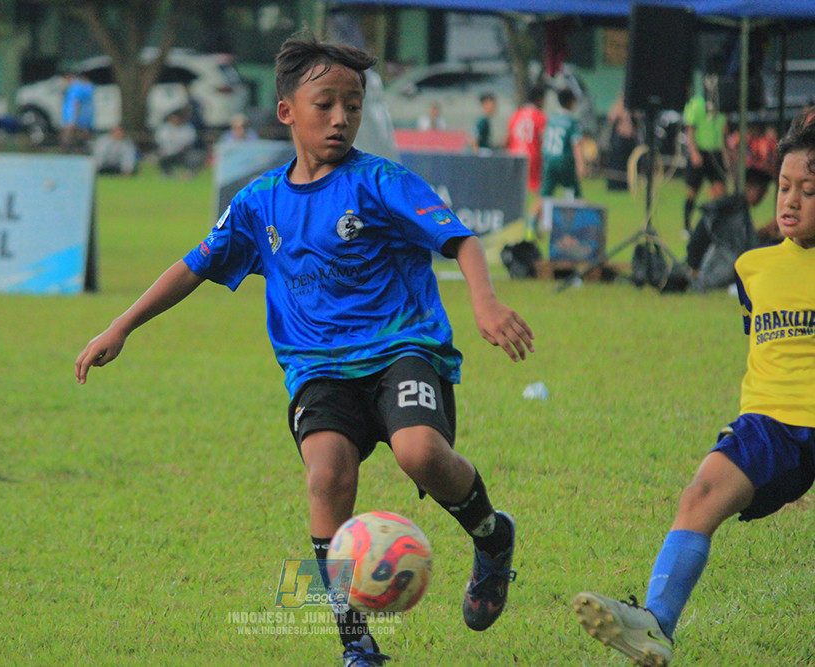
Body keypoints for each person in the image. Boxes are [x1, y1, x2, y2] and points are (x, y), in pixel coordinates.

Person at [76, 32, 535, 667]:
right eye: (326, 104)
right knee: (326, 475)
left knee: (421, 452)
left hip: (401, 348)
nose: (342, 117)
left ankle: (491, 536)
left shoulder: (380, 182)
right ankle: (356, 644)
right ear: (287, 111)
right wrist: (121, 326)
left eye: (354, 104)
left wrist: (484, 303)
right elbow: (194, 266)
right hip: (318, 369)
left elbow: (461, 241)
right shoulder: (258, 201)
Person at [573, 111, 815, 667]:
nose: (790, 201)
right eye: (784, 187)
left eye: (808, 191)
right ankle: (657, 623)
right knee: (698, 496)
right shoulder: (752, 268)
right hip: (770, 423)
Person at [684, 166, 771, 291]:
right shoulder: (731, 211)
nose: (763, 197)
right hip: (711, 273)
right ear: (751, 189)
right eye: (763, 191)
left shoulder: (734, 209)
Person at [527, 88, 586, 239]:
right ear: (571, 102)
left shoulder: (551, 119)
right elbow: (576, 144)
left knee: (544, 195)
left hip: (549, 161)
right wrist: (581, 165)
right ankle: (575, 230)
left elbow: (544, 139)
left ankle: (530, 225)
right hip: (564, 162)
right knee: (574, 195)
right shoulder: (572, 121)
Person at [682, 81, 728, 232]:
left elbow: (724, 131)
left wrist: (726, 153)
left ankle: (715, 225)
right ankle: (686, 225)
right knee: (693, 191)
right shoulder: (697, 104)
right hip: (700, 151)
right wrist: (694, 153)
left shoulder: (722, 105)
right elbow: (690, 130)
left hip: (715, 152)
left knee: (720, 190)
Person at [506, 85, 547, 196]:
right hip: (531, 156)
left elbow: (508, 138)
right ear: (539, 99)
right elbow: (543, 139)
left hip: (515, 155)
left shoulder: (516, 114)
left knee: (515, 188)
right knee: (536, 190)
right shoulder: (539, 116)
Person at [154, 109, 203, 178]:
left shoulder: (188, 128)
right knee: (160, 156)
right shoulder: (164, 129)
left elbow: (189, 143)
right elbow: (160, 142)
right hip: (167, 152)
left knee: (195, 156)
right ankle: (167, 173)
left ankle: (190, 173)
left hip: (183, 153)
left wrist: (178, 150)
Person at [61, 70, 94, 150]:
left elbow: (76, 102)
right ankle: (81, 146)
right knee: (83, 130)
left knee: (71, 130)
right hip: (85, 114)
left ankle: (67, 147)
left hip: (74, 114)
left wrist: (74, 118)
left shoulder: (76, 87)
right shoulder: (88, 86)